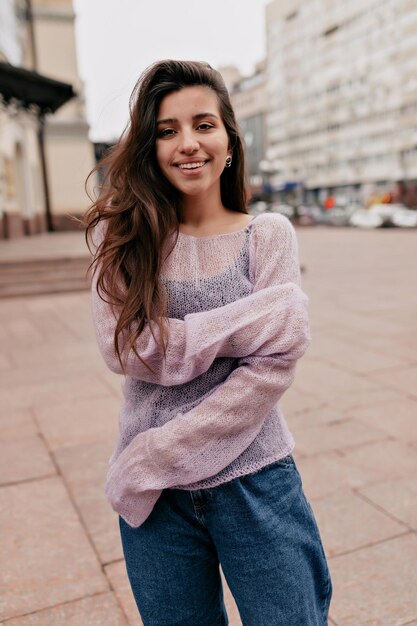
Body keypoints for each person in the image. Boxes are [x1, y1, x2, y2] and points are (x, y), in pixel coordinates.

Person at [84, 60, 332, 626]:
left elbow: (271, 366)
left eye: (203, 124)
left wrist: (159, 451)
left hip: (255, 479)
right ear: (148, 145)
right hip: (155, 497)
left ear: (228, 138)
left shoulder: (266, 235)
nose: (187, 144)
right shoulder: (121, 236)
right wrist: (256, 317)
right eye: (167, 130)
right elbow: (127, 351)